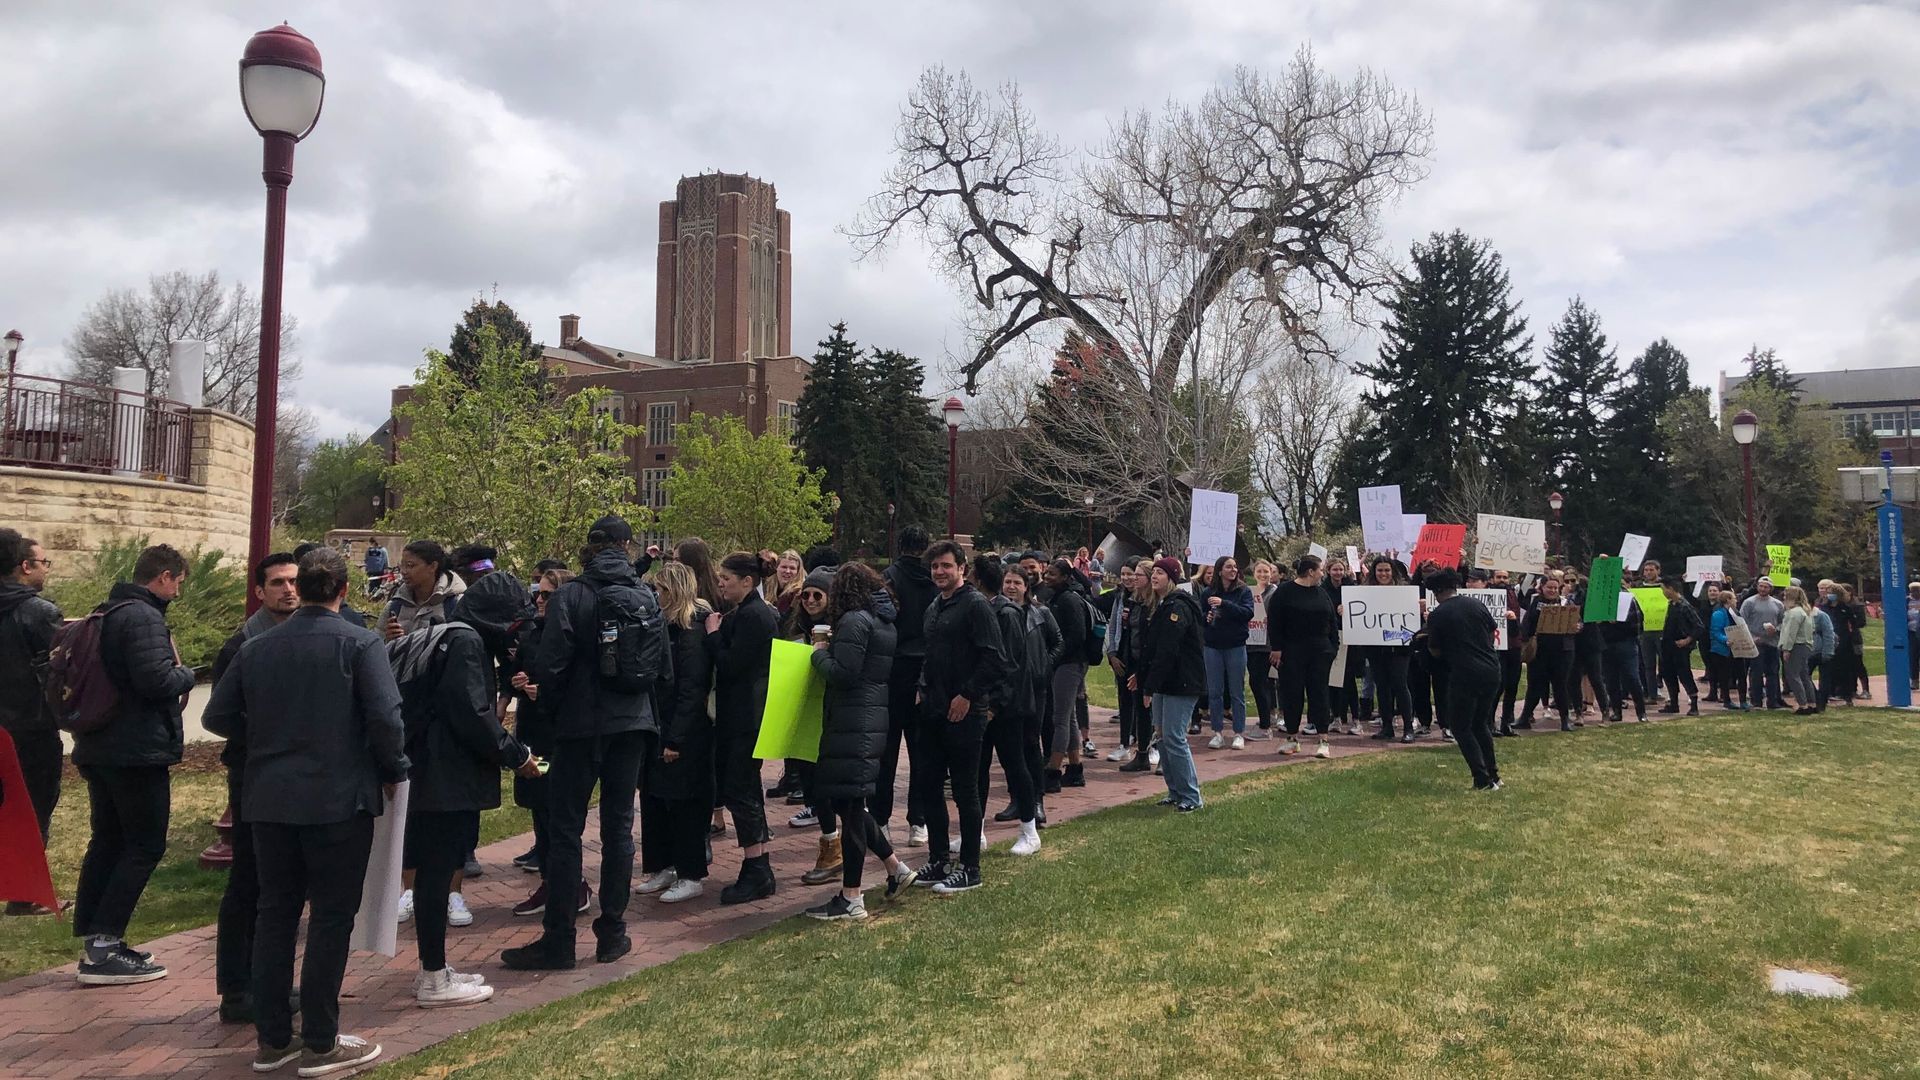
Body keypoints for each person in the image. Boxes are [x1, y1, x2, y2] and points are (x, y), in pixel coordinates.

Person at [202, 548, 407, 1077]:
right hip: (338, 800)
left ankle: (273, 1039)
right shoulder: (361, 643)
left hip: (269, 799)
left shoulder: (258, 646)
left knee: (276, 914)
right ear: (343, 589)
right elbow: (385, 718)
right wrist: (393, 767)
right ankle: (320, 1040)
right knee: (330, 919)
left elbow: (218, 714)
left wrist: (270, 740)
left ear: (307, 587)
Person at [502, 515, 659, 970]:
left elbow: (551, 664)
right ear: (627, 547)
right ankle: (612, 932)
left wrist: (550, 710)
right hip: (631, 722)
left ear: (589, 548)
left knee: (566, 830)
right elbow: (658, 665)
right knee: (618, 828)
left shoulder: (572, 594)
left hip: (579, 726)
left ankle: (560, 939)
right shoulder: (645, 595)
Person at [391, 570, 542, 1007]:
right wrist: (517, 755)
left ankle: (432, 968)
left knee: (429, 874)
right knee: (439, 874)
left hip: (423, 770)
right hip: (446, 777)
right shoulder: (467, 644)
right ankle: (434, 978)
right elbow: (474, 715)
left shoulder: (443, 634)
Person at [70, 543, 195, 985]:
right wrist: (189, 673)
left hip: (101, 745)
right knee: (144, 845)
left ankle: (95, 940)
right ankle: (104, 948)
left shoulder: (106, 611)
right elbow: (156, 680)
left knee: (108, 841)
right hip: (134, 752)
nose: (177, 592)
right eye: (177, 583)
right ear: (162, 577)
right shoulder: (142, 617)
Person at [208, 553, 300, 1022]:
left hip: (294, 780)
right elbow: (219, 716)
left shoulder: (305, 634)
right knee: (248, 881)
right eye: (278, 583)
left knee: (280, 884)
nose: (288, 589)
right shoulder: (244, 642)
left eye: (294, 581)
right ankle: (237, 989)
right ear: (260, 591)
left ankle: (269, 982)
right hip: (254, 777)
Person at [806, 563, 919, 919]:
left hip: (852, 720)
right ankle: (895, 867)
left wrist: (820, 651)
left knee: (851, 810)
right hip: (870, 718)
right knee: (851, 803)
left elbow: (845, 673)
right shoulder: (883, 621)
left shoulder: (856, 621)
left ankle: (851, 897)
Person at [910, 540, 1008, 895]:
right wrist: (922, 687)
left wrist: (967, 694)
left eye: (946, 566)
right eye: (935, 566)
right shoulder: (935, 606)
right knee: (929, 786)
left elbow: (995, 660)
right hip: (933, 710)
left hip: (966, 713)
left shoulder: (976, 606)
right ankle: (939, 859)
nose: (939, 571)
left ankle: (970, 867)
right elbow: (930, 654)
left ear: (962, 569)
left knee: (965, 790)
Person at [637, 562, 716, 904]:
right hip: (658, 722)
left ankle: (690, 871)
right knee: (654, 798)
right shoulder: (663, 626)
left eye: (661, 590)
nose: (656, 595)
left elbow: (691, 688)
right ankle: (664, 864)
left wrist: (677, 737)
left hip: (684, 729)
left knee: (684, 803)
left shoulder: (691, 629)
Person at [707, 550, 780, 904]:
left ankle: (756, 869)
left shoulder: (754, 616)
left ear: (747, 581)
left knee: (740, 790)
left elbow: (733, 664)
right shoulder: (751, 613)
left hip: (744, 717)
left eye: (727, 578)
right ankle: (759, 866)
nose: (721, 583)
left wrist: (713, 635)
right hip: (746, 715)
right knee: (746, 789)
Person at [0, 529, 63, 915]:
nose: (45, 569)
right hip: (32, 726)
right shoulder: (40, 612)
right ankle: (25, 894)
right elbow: (61, 668)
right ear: (24, 567)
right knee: (36, 805)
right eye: (43, 562)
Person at [504, 569, 571, 912]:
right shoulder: (533, 633)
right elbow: (518, 668)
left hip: (557, 734)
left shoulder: (569, 634)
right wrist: (519, 681)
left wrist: (543, 691)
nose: (539, 600)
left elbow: (575, 685)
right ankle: (549, 879)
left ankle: (570, 886)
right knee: (538, 809)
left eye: (547, 595)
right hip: (530, 735)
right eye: (537, 593)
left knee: (555, 810)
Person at [1133, 557, 1205, 812]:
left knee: (1174, 737)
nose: (1155, 577)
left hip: (1181, 681)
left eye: (1161, 573)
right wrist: (1145, 681)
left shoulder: (1179, 607)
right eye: (1154, 572)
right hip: (1164, 682)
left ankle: (1191, 796)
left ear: (1172, 578)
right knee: (1162, 738)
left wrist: (1149, 686)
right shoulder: (1158, 606)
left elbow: (1168, 650)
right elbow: (1150, 649)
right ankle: (1175, 791)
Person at [881, 526, 936, 846]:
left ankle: (881, 819)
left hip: (893, 670)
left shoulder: (888, 577)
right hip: (923, 673)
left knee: (886, 753)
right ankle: (918, 821)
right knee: (922, 753)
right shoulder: (933, 580)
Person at [1423, 570, 1502, 790]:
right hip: (1491, 669)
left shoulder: (1438, 614)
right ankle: (1494, 774)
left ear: (1438, 591)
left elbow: (1435, 650)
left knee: (1460, 726)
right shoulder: (1476, 604)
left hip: (1465, 673)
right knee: (1480, 723)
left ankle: (1481, 778)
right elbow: (1492, 629)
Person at [989, 563, 1047, 852]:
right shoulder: (995, 612)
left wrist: (1043, 668)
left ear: (1027, 586)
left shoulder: (1037, 613)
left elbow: (1056, 642)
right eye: (1007, 581)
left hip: (1025, 694)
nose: (1011, 587)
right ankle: (1014, 804)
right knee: (996, 761)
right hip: (1000, 696)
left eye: (1017, 583)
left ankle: (1033, 811)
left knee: (1024, 751)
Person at [1268, 554, 1338, 759]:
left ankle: (1323, 739)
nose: (1322, 574)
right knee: (1292, 694)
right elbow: (1275, 622)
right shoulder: (1284, 592)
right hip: (1292, 652)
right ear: (1310, 571)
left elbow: (1331, 622)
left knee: (1320, 694)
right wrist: (1277, 648)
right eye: (1320, 570)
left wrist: (1333, 647)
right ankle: (1291, 738)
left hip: (1320, 652)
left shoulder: (1321, 593)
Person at [1040, 559, 1094, 786]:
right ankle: (1074, 767)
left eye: (1052, 573)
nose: (1046, 576)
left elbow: (1076, 635)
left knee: (1059, 718)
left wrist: (1056, 655)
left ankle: (1052, 770)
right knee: (1069, 717)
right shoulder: (1057, 597)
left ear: (1065, 576)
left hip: (1070, 664)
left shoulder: (1069, 599)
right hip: (1067, 663)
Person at [1359, 558, 1418, 742]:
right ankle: (1387, 726)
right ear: (1373, 573)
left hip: (1399, 647)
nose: (1383, 574)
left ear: (1393, 571)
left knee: (1400, 685)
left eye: (1386, 570)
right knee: (1382, 687)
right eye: (1379, 570)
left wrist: (1419, 607)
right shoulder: (1365, 593)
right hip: (1376, 648)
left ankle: (1408, 728)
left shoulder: (1405, 591)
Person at [1198, 556, 1255, 750]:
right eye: (1228, 567)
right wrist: (1208, 616)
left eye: (1235, 567)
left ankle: (1239, 733)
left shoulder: (1243, 591)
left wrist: (1224, 604)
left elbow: (1247, 613)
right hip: (1212, 646)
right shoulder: (1208, 592)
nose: (1233, 570)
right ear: (1219, 571)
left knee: (1236, 691)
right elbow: (1200, 616)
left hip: (1236, 646)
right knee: (1215, 692)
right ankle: (1217, 732)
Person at [1518, 575, 1579, 732]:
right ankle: (1524, 718)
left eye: (1555, 588)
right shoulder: (1535, 602)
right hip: (1540, 651)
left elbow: (1578, 621)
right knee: (1534, 686)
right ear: (1542, 587)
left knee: (1560, 686)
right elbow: (1526, 624)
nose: (1552, 590)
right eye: (1549, 587)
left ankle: (1565, 720)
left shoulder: (1566, 602)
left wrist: (1578, 627)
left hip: (1562, 651)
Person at [382, 540, 466, 640]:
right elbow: (376, 648)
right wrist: (388, 640)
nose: (403, 572)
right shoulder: (394, 606)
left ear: (433, 566)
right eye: (402, 566)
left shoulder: (457, 604)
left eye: (410, 565)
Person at [1599, 592, 1648, 723]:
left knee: (1632, 677)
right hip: (1606, 643)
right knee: (1611, 680)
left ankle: (1641, 712)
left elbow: (1638, 620)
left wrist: (1620, 621)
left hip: (1626, 642)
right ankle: (1616, 711)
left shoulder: (1627, 598)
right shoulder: (1599, 597)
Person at [1739, 577, 1787, 710]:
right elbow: (1742, 622)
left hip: (1772, 642)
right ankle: (1757, 701)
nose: (1763, 589)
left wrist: (1775, 629)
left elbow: (1783, 622)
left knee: (1773, 672)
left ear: (1770, 589)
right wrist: (1751, 637)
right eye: (1761, 586)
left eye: (1766, 587)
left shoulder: (1778, 604)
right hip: (1756, 643)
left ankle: (1773, 701)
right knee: (1756, 672)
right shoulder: (1749, 602)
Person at [1657, 577, 1703, 715]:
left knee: (1684, 674)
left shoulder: (1685, 606)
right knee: (1668, 673)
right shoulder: (1672, 605)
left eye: (1663, 589)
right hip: (1668, 646)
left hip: (1680, 647)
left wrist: (1687, 640)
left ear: (1670, 589)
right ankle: (1673, 703)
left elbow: (1699, 626)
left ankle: (1694, 705)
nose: (1663, 592)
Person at [1244, 560, 1278, 740]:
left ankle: (1267, 724)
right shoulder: (1249, 592)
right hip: (1253, 645)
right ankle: (1265, 719)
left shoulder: (1275, 593)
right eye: (1259, 571)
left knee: (1268, 684)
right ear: (1254, 573)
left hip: (1270, 646)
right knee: (1257, 683)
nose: (1263, 575)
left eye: (1267, 571)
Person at [1778, 586, 1819, 715]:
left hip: (1796, 645)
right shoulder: (1804, 611)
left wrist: (1786, 648)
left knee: (1793, 675)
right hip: (1805, 645)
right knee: (1804, 675)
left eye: (1786, 595)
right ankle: (1812, 703)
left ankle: (1802, 704)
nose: (1784, 598)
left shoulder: (1794, 613)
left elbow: (1790, 632)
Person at [1708, 589, 1750, 711]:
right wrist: (1726, 640)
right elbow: (1715, 631)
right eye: (1734, 598)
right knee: (1724, 676)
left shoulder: (1735, 612)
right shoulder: (1718, 614)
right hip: (1723, 650)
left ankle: (1743, 701)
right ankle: (1726, 700)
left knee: (1741, 674)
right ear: (1728, 600)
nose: (1736, 600)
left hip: (1737, 649)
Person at [1636, 559, 1665, 701]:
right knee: (1648, 664)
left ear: (1658, 571)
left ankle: (1666, 690)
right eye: (1646, 570)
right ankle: (1651, 694)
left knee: (1665, 661)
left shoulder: (1664, 586)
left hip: (1662, 629)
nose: (1648, 573)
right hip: (1645, 630)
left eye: (1651, 570)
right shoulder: (1639, 587)